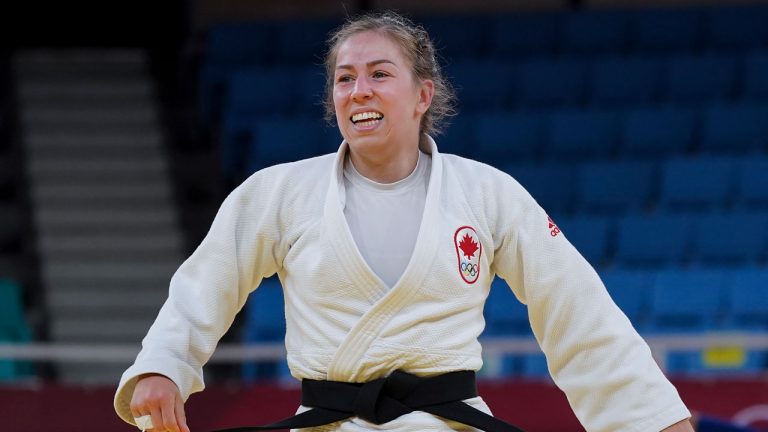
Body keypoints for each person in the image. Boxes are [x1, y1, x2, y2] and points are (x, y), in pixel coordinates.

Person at [115, 11, 695, 432]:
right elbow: (200, 291)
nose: (358, 90)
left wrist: (648, 420)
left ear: (423, 94)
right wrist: (163, 367)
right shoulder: (278, 193)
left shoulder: (486, 193)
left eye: (378, 73)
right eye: (344, 77)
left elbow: (578, 312)